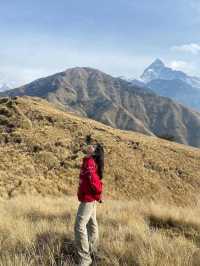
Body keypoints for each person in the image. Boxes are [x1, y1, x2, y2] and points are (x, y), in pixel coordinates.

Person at [74, 143, 104, 266]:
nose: (90, 145)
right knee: (92, 223)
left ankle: (85, 259)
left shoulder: (90, 163)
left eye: (93, 146)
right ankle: (93, 250)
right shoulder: (89, 161)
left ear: (94, 152)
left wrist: (98, 194)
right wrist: (97, 195)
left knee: (79, 226)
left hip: (88, 199)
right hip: (89, 197)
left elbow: (93, 181)